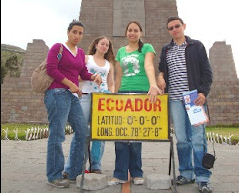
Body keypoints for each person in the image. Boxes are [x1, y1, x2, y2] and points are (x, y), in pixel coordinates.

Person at [157, 16, 213, 193]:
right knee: (181, 138)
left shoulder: (196, 46)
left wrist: (203, 92)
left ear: (184, 26)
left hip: (194, 98)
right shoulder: (166, 50)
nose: (175, 30)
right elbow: (162, 70)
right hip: (174, 99)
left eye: (177, 26)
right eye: (171, 28)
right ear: (168, 31)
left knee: (198, 138)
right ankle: (186, 173)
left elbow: (207, 71)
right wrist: (160, 77)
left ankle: (203, 177)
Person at [44, 19, 102, 188]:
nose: (77, 35)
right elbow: (51, 69)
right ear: (68, 32)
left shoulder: (80, 52)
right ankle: (54, 175)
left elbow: (82, 72)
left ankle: (73, 172)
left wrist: (93, 76)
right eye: (74, 32)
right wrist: (71, 85)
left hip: (72, 96)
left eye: (80, 33)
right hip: (57, 93)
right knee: (57, 134)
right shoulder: (58, 47)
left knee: (83, 131)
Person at [108, 20, 162, 186]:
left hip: (141, 94)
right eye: (130, 30)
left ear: (140, 33)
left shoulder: (147, 48)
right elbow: (119, 76)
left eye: (135, 30)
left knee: (137, 134)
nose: (132, 33)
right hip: (124, 94)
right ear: (126, 33)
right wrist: (114, 95)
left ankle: (137, 172)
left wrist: (153, 84)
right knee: (121, 135)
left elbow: (148, 65)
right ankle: (120, 174)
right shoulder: (120, 52)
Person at [64, 36, 115, 175]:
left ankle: (96, 165)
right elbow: (77, 76)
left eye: (107, 45)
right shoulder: (87, 58)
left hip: (103, 99)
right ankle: (72, 167)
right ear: (96, 45)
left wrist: (111, 94)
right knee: (81, 132)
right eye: (102, 44)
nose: (104, 46)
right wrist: (91, 76)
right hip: (86, 96)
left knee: (100, 133)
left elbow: (111, 83)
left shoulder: (108, 64)